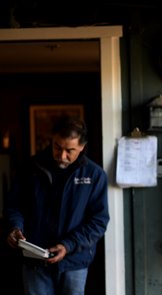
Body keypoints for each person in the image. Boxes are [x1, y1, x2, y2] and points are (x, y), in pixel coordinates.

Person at [4, 116, 109, 295]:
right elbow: (14, 206)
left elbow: (98, 222)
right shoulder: (30, 168)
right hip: (34, 261)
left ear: (82, 147)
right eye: (57, 147)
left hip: (74, 261)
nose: (61, 156)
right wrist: (15, 227)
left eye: (70, 150)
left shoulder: (95, 175)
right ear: (52, 140)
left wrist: (67, 245)